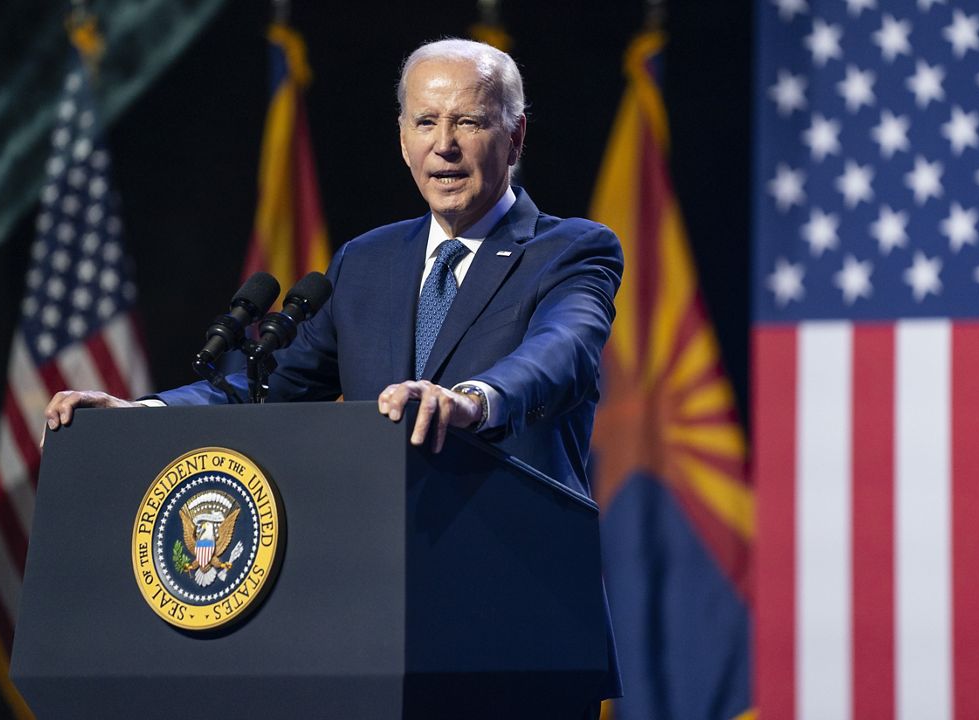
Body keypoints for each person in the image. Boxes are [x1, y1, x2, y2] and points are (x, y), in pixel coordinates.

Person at [44, 38, 622, 711]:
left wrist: (475, 400)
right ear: (402, 139)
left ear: (515, 134)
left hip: (514, 626)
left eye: (469, 121)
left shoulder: (571, 249)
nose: (446, 146)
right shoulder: (365, 263)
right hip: (371, 631)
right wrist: (142, 415)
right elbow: (269, 388)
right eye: (426, 123)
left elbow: (563, 349)